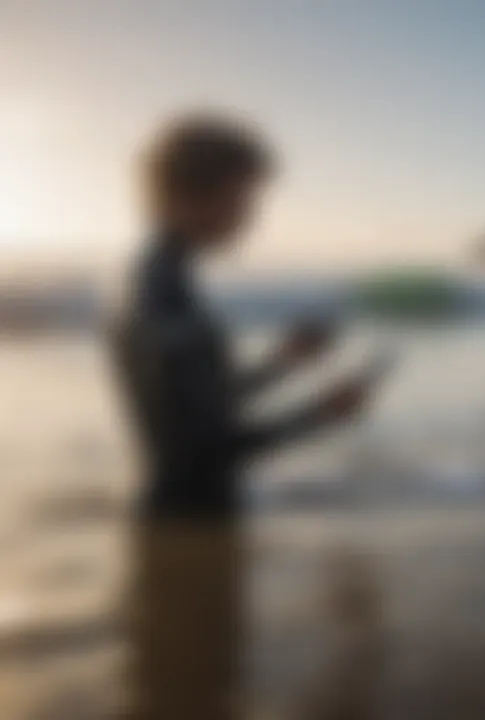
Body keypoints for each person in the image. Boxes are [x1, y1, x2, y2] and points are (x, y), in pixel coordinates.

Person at [110, 113, 376, 719]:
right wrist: (321, 414)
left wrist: (283, 362)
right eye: (242, 196)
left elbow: (202, 399)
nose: (251, 215)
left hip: (177, 520)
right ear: (184, 197)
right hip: (188, 525)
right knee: (194, 693)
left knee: (187, 690)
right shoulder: (163, 294)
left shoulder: (157, 279)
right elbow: (203, 448)